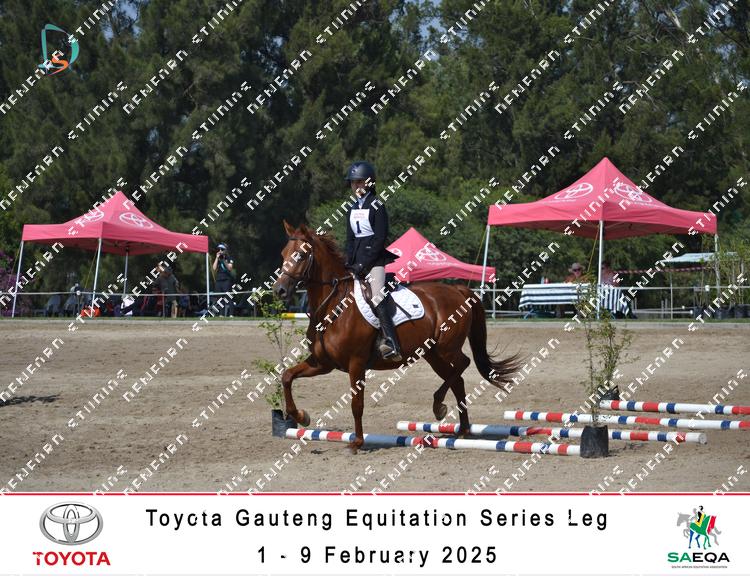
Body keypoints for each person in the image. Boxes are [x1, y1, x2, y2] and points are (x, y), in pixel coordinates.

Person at [343, 161, 401, 361]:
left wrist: (364, 264)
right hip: (356, 263)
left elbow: (379, 239)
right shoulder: (351, 208)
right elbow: (350, 240)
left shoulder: (377, 205)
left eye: (360, 182)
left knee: (376, 296)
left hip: (374, 262)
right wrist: (349, 262)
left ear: (369, 183)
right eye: (353, 183)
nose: (356, 186)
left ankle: (391, 342)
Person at [211, 242, 235, 316]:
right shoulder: (218, 258)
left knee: (228, 297)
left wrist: (224, 260)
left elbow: (230, 268)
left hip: (226, 280)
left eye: (222, 249)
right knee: (219, 297)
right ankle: (221, 314)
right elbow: (214, 268)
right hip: (219, 280)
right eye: (219, 249)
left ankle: (231, 314)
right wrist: (216, 258)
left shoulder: (229, 258)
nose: (220, 251)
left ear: (225, 250)